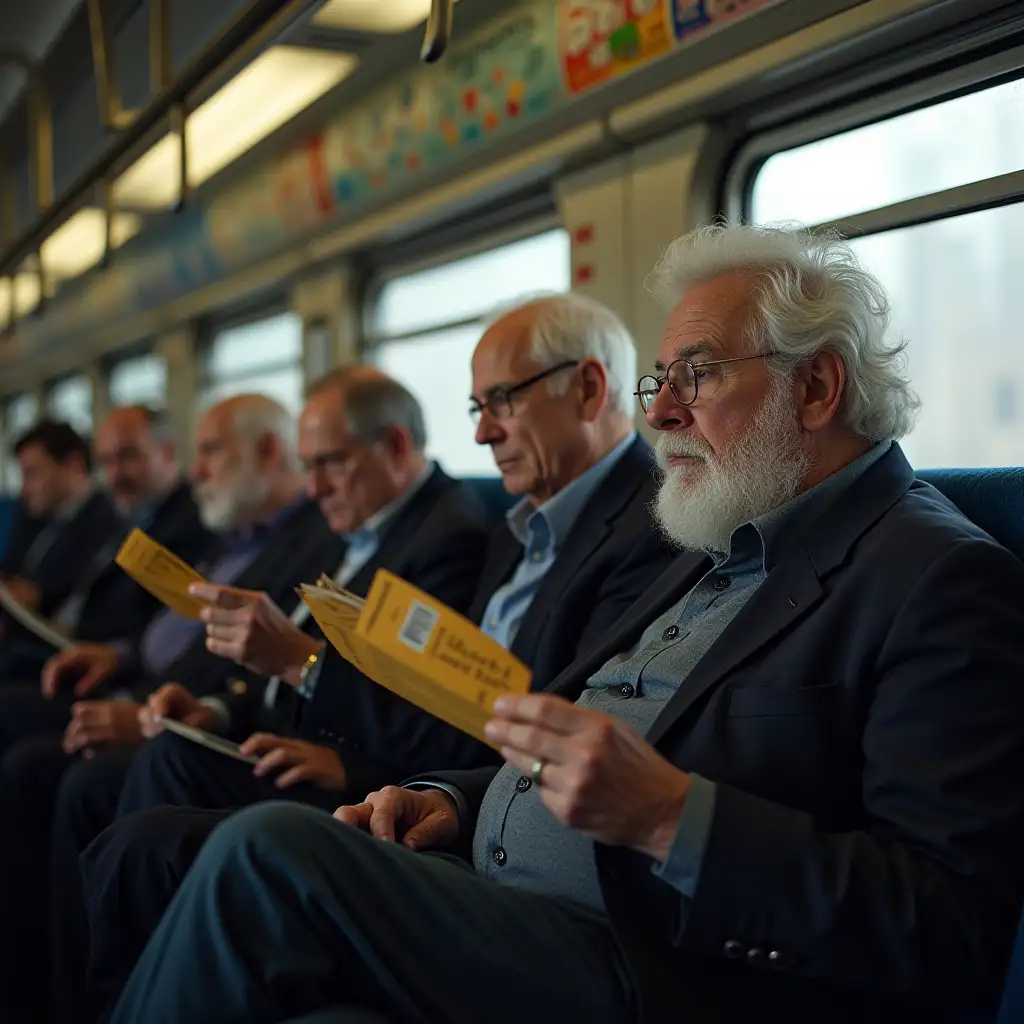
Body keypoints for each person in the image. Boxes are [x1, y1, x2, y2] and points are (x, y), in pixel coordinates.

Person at [105, 224, 1024, 1024]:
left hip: (656, 970)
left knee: (267, 852)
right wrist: (456, 800)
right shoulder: (712, 543)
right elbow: (558, 733)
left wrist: (674, 818)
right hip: (500, 892)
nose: (659, 411)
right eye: (661, 379)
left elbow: (950, 927)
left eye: (695, 377)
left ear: (817, 388)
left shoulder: (938, 578)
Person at [74, 294, 676, 1022]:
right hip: (430, 783)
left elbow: (533, 727)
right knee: (142, 833)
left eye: (503, 402)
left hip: (474, 813)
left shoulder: (647, 531)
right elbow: (449, 694)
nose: (483, 432)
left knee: (173, 837)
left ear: (588, 388)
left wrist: (378, 762)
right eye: (477, 407)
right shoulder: (521, 528)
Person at [0, 393, 339, 1022]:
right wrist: (128, 662)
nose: (198, 470)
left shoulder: (310, 539)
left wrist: (171, 708)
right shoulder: (233, 535)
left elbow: (243, 658)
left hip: (227, 722)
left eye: (209, 451)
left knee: (67, 774)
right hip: (169, 694)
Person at [0, 421, 122, 673]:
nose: (24, 489)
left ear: (73, 465)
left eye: (32, 473)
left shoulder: (105, 523)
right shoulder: (37, 518)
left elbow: (45, 596)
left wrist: (35, 595)